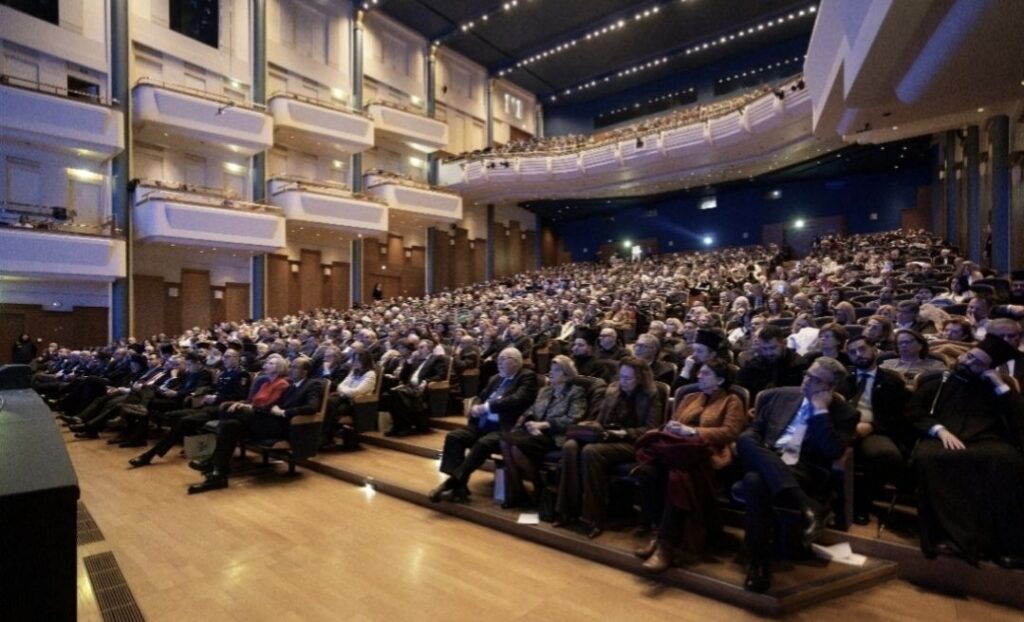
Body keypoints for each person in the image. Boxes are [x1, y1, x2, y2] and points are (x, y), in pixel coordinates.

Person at [736, 357, 857, 593]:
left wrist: (820, 411)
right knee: (744, 439)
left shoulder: (845, 413)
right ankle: (807, 506)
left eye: (816, 380)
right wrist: (757, 446)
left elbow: (832, 450)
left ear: (830, 387)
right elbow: (755, 430)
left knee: (754, 482)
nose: (807, 380)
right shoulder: (779, 396)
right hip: (768, 455)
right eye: (807, 374)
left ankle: (758, 563)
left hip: (802, 468)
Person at [906, 335, 1024, 568]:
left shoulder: (997, 387)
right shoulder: (938, 381)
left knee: (1007, 460)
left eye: (977, 363)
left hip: (986, 440)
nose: (968, 362)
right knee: (931, 458)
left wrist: (998, 384)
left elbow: (1018, 419)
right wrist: (939, 430)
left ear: (988, 368)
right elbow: (914, 411)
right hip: (941, 437)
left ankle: (1007, 545)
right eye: (969, 356)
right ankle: (947, 538)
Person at [632, 359, 746, 572]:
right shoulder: (690, 397)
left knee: (677, 479)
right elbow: (673, 421)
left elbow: (730, 432)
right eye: (699, 372)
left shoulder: (732, 401)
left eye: (705, 373)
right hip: (678, 452)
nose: (699, 376)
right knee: (648, 472)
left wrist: (694, 432)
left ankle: (665, 546)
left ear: (720, 380)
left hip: (707, 456)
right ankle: (657, 532)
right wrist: (673, 427)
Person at [553, 356, 665, 538]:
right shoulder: (613, 390)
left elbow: (651, 429)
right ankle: (567, 511)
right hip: (607, 436)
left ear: (640, 378)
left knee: (591, 451)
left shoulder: (651, 395)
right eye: (621, 377)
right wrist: (592, 427)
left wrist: (622, 433)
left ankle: (593, 518)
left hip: (632, 442)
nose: (623, 382)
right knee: (570, 446)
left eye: (628, 378)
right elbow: (601, 420)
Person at [188, 357, 325, 494]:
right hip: (267, 421)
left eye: (295, 367)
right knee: (230, 425)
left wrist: (284, 412)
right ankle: (219, 475)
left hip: (282, 426)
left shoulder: (312, 385)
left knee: (231, 410)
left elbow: (312, 407)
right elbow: (272, 405)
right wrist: (268, 408)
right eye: (291, 366)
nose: (291, 369)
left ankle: (211, 461)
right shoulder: (291, 386)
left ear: (305, 372)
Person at [428, 348, 539, 502]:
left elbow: (517, 399)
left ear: (516, 361)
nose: (499, 362)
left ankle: (451, 483)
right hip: (482, 425)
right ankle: (460, 488)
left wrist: (487, 407)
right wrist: (475, 407)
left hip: (505, 428)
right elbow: (481, 397)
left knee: (483, 443)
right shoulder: (495, 378)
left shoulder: (526, 377)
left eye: (504, 359)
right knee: (454, 437)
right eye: (498, 358)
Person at [498, 355, 586, 508]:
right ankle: (518, 490)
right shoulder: (545, 391)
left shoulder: (576, 392)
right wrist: (525, 422)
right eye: (551, 369)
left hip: (555, 435)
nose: (551, 372)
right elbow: (531, 410)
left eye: (556, 370)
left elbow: (573, 419)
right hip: (533, 431)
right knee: (504, 442)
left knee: (517, 449)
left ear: (566, 375)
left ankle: (538, 487)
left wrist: (543, 425)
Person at [842, 336, 913, 524]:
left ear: (874, 350)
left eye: (862, 349)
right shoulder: (843, 379)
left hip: (874, 429)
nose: (858, 354)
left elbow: (899, 417)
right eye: (852, 352)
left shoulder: (892, 381)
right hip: (844, 428)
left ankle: (861, 503)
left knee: (886, 455)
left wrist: (872, 426)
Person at [321, 349, 377, 449]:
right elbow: (340, 385)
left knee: (331, 411)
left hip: (357, 404)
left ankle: (326, 438)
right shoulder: (353, 371)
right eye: (354, 360)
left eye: (357, 360)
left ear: (364, 361)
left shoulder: (370, 374)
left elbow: (357, 392)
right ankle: (325, 438)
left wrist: (344, 391)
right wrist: (346, 391)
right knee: (327, 403)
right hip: (345, 398)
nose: (354, 362)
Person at [879, 329, 947, 384]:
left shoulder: (937, 365)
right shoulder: (885, 365)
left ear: (920, 345)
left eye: (907, 342)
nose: (903, 345)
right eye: (900, 343)